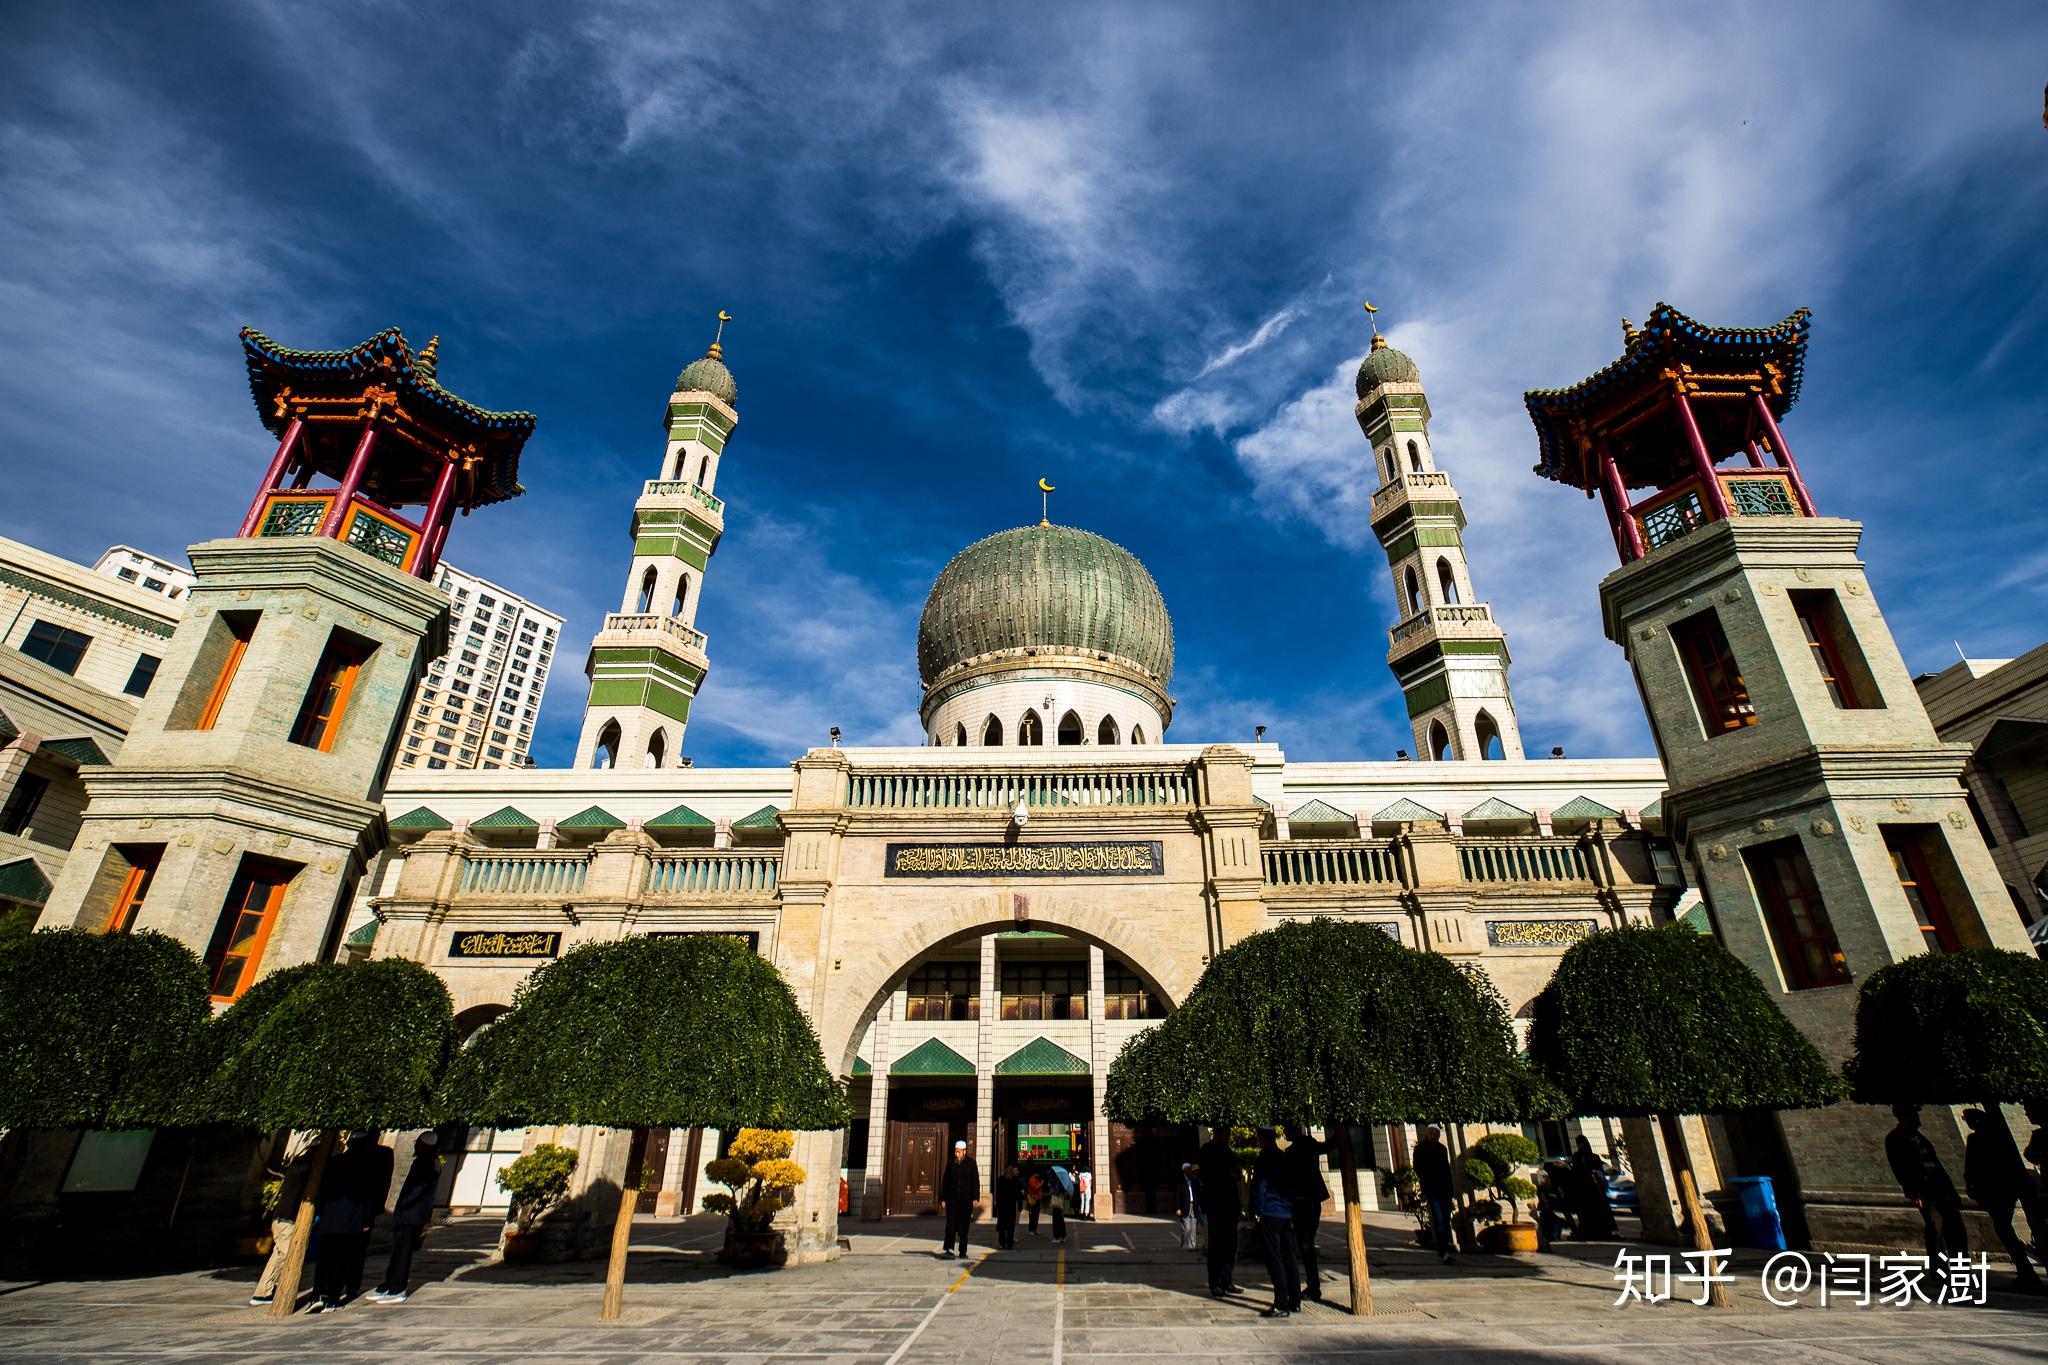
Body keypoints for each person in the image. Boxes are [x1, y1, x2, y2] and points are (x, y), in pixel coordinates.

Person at [311, 1131, 393, 1313]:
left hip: (329, 1219)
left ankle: (317, 1294)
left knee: (325, 1259)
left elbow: (321, 1192)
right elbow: (367, 1195)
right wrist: (367, 1218)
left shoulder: (333, 1162)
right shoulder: (366, 1165)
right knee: (344, 1259)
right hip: (352, 1221)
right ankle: (332, 1298)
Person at [1962, 1109, 2042, 1290]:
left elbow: (1971, 1166)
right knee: (2006, 1228)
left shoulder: (1977, 1140)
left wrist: (1970, 1185)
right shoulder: (1999, 1136)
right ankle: (2025, 1269)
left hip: (1995, 1191)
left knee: (2004, 1229)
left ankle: (2025, 1270)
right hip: (2008, 1189)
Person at [1886, 1104, 1967, 1261]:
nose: (1917, 1118)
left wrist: (1952, 1192)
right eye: (1913, 1115)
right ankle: (1940, 1272)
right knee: (1936, 1231)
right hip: (1925, 1192)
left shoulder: (1920, 1137)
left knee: (1957, 1230)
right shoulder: (1895, 1138)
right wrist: (1912, 1192)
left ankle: (1962, 1271)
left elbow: (1937, 1166)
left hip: (1942, 1190)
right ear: (1903, 1117)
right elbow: (1899, 1167)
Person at [368, 1133, 441, 1303]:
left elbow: (419, 1189)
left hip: (412, 1215)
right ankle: (389, 1283)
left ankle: (398, 1288)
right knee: (398, 1251)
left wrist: (405, 1202)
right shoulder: (423, 1161)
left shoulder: (429, 1163)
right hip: (407, 1214)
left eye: (418, 1143)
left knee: (403, 1253)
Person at [250, 1135, 319, 1307]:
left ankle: (269, 1289)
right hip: (285, 1218)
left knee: (281, 1252)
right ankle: (263, 1292)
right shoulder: (301, 1167)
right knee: (284, 1253)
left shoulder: (299, 1166)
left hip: (285, 1218)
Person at [1250, 1129, 1299, 1319]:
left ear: (1262, 1139)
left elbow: (1260, 1186)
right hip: (1286, 1212)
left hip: (1271, 1212)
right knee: (1289, 1257)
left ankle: (1281, 1303)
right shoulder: (1282, 1156)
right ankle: (1295, 1301)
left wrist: (1258, 1212)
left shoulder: (1264, 1158)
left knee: (1274, 1258)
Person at [1283, 1127, 1330, 1304]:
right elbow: (1326, 1147)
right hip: (1307, 1202)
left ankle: (1311, 1287)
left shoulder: (1296, 1150)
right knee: (1305, 1246)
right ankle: (1312, 1286)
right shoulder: (1306, 1145)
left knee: (1305, 1245)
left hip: (1303, 1202)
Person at [1196, 1127, 1243, 1297]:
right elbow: (1201, 1172)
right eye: (1225, 1132)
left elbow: (1238, 1174)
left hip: (1229, 1204)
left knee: (1230, 1245)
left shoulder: (1227, 1150)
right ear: (1216, 1132)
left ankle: (1227, 1280)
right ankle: (1215, 1283)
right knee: (1216, 1246)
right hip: (1216, 1204)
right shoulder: (1208, 1150)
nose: (1227, 1136)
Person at [1413, 1124, 1456, 1263]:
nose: (1433, 1136)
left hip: (1445, 1189)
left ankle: (1444, 1250)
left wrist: (1451, 1189)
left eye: (1436, 1134)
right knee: (1439, 1220)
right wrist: (1426, 1180)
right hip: (1432, 1189)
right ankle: (1443, 1251)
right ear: (1427, 1133)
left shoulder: (1442, 1149)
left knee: (1446, 1220)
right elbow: (1417, 1167)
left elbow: (1447, 1169)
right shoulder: (1420, 1149)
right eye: (1431, 1133)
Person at [939, 1139, 981, 1259]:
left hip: (965, 1201)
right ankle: (949, 1250)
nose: (957, 1154)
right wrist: (943, 1198)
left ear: (964, 1151)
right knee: (950, 1225)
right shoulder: (951, 1162)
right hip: (952, 1200)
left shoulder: (971, 1163)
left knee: (964, 1227)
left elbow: (975, 1182)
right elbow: (946, 1181)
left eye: (959, 1152)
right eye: (956, 1151)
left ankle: (963, 1251)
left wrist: (975, 1198)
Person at [1571, 1136, 1617, 1239]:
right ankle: (1588, 1230)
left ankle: (1603, 1230)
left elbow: (1600, 1171)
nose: (1580, 1146)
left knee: (1600, 1210)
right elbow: (1575, 1172)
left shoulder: (1594, 1157)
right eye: (1578, 1144)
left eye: (1581, 1144)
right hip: (1584, 1188)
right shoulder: (1577, 1157)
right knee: (1586, 1211)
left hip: (1595, 1188)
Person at [1535, 1160, 1577, 1250]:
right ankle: (1569, 1229)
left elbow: (1551, 1187)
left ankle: (1567, 1229)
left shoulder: (1555, 1175)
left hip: (1561, 1199)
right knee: (1563, 1216)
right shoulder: (1562, 1173)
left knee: (1563, 1215)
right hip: (1561, 1199)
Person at [993, 1163, 1023, 1250]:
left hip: (1002, 1206)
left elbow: (998, 1194)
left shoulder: (1000, 1180)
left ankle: (1002, 1243)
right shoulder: (1015, 1181)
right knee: (1010, 1226)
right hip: (1011, 1206)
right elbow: (1018, 1195)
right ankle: (1009, 1243)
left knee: (1002, 1226)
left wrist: (997, 1204)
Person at [1176, 1161, 1202, 1250]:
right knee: (1186, 1228)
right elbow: (1178, 1196)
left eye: (1191, 1169)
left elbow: (1199, 1192)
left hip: (1193, 1206)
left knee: (1193, 1228)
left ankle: (1192, 1246)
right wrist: (1178, 1208)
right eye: (1189, 1169)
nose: (1190, 1171)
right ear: (1184, 1170)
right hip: (1184, 1207)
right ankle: (1184, 1246)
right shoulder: (1180, 1181)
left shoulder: (1194, 1181)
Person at [1048, 1161, 1074, 1244]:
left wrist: (1051, 1187)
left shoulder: (1056, 1181)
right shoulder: (1063, 1182)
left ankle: (1057, 1237)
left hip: (1056, 1199)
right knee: (1061, 1218)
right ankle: (1063, 1236)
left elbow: (1054, 1192)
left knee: (1056, 1218)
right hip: (1061, 1199)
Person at [1025, 1166, 1047, 1236]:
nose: (1039, 1175)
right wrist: (1041, 1184)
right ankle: (1031, 1230)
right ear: (1036, 1173)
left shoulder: (1036, 1179)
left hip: (1037, 1199)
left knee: (1036, 1215)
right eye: (1038, 1174)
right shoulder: (1032, 1179)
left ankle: (1034, 1229)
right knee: (1033, 1215)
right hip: (1033, 1199)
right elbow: (1035, 1188)